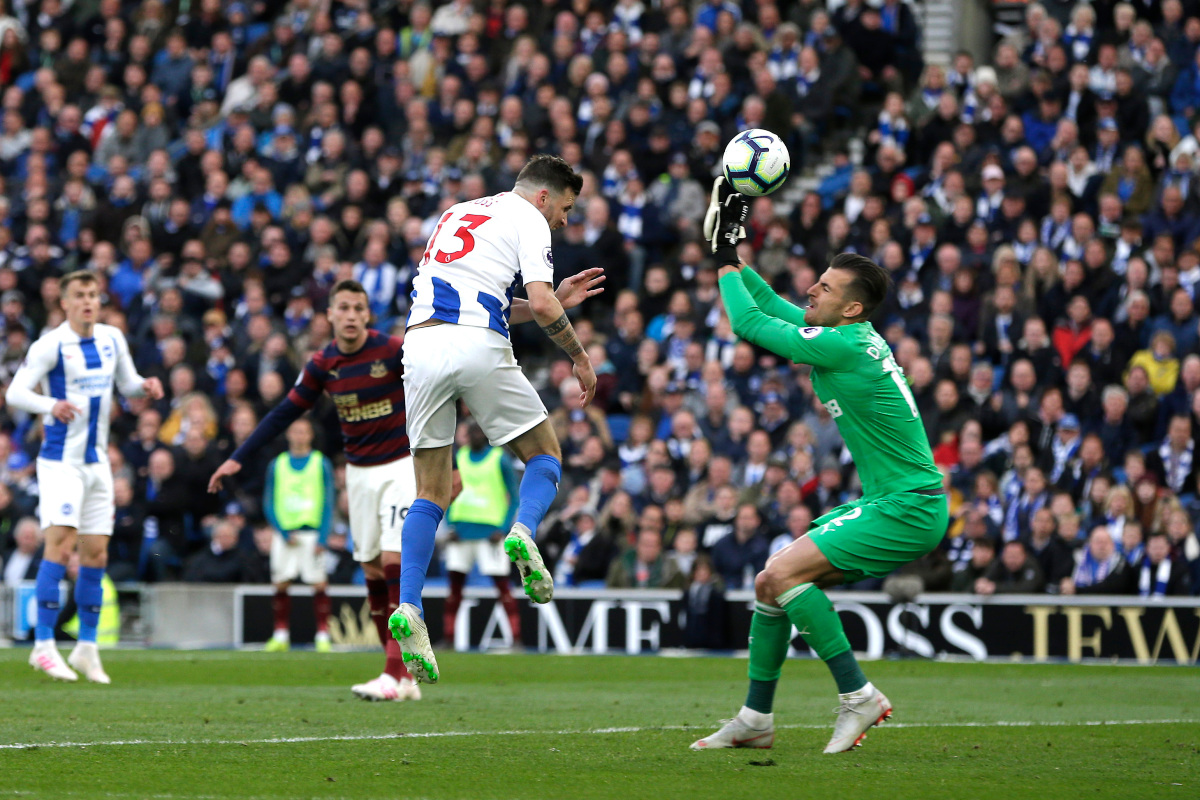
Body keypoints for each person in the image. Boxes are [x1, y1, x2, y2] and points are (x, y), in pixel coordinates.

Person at [210, 274, 601, 699]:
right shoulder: (324, 364)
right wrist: (237, 457)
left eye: (359, 309)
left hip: (402, 465)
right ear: (330, 316)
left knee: (396, 563)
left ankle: (397, 675)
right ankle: (396, 674)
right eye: (343, 308)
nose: (352, 316)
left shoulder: (392, 351)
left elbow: (443, 386)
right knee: (372, 572)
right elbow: (285, 412)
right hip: (359, 476)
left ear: (368, 315)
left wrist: (448, 463)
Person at [692, 181, 948, 754]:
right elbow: (775, 309)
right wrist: (730, 258)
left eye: (825, 287)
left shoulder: (845, 346)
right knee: (770, 583)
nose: (811, 288)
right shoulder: (848, 336)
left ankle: (859, 697)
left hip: (907, 507)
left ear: (852, 306)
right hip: (899, 502)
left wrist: (727, 269)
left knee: (782, 575)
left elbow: (749, 325)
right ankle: (756, 719)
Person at [390, 154, 597, 685]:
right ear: (544, 196)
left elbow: (488, 296)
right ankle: (525, 531)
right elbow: (546, 306)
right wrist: (578, 356)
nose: (565, 220)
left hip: (420, 345)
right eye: (567, 208)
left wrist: (544, 299)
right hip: (478, 344)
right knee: (545, 454)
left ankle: (410, 606)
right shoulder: (529, 217)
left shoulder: (458, 212)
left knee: (430, 494)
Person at [6, 270, 164, 683]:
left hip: (97, 462)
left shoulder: (112, 338)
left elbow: (126, 384)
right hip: (60, 462)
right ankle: (42, 646)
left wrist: (144, 386)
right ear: (65, 303)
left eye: (94, 295)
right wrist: (50, 404)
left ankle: (87, 648)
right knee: (58, 547)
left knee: (96, 553)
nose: (89, 302)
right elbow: (15, 393)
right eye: (80, 295)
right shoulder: (51, 345)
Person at [261, 417, 336, 654]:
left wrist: (323, 537)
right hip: (285, 535)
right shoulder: (277, 464)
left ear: (311, 435)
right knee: (281, 583)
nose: (299, 436)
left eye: (304, 431)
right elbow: (268, 501)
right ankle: (281, 635)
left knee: (319, 584)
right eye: (295, 431)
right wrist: (281, 531)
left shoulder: (320, 463)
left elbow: (328, 501)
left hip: (311, 533)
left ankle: (323, 635)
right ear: (288, 435)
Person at [443, 421, 522, 644]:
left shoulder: (500, 458)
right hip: (461, 531)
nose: (475, 435)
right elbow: (449, 490)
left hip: (490, 533)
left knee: (502, 587)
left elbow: (514, 497)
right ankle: (449, 638)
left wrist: (503, 527)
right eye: (472, 431)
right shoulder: (459, 456)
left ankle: (516, 638)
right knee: (454, 588)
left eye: (479, 431)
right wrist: (450, 523)